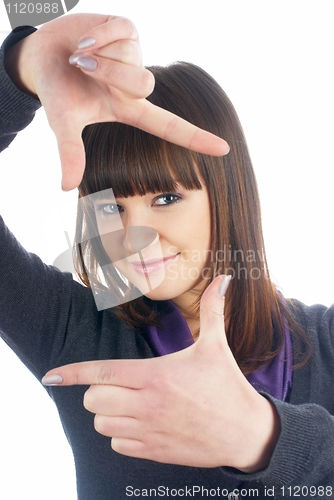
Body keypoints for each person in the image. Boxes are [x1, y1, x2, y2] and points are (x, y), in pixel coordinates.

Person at [1, 12, 334, 500]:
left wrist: (263, 437)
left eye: (166, 198)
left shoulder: (325, 342)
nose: (135, 234)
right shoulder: (73, 330)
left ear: (227, 193)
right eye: (113, 205)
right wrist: (18, 73)